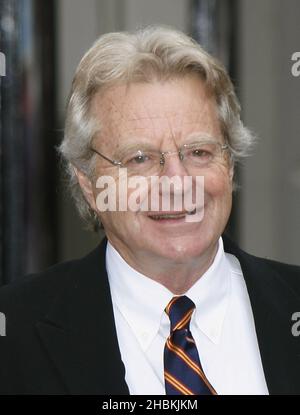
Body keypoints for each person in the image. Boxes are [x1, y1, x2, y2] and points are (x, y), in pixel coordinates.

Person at [0, 25, 299, 395]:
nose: (176, 182)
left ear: (231, 165)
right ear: (90, 184)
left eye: (199, 152)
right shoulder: (14, 336)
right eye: (139, 158)